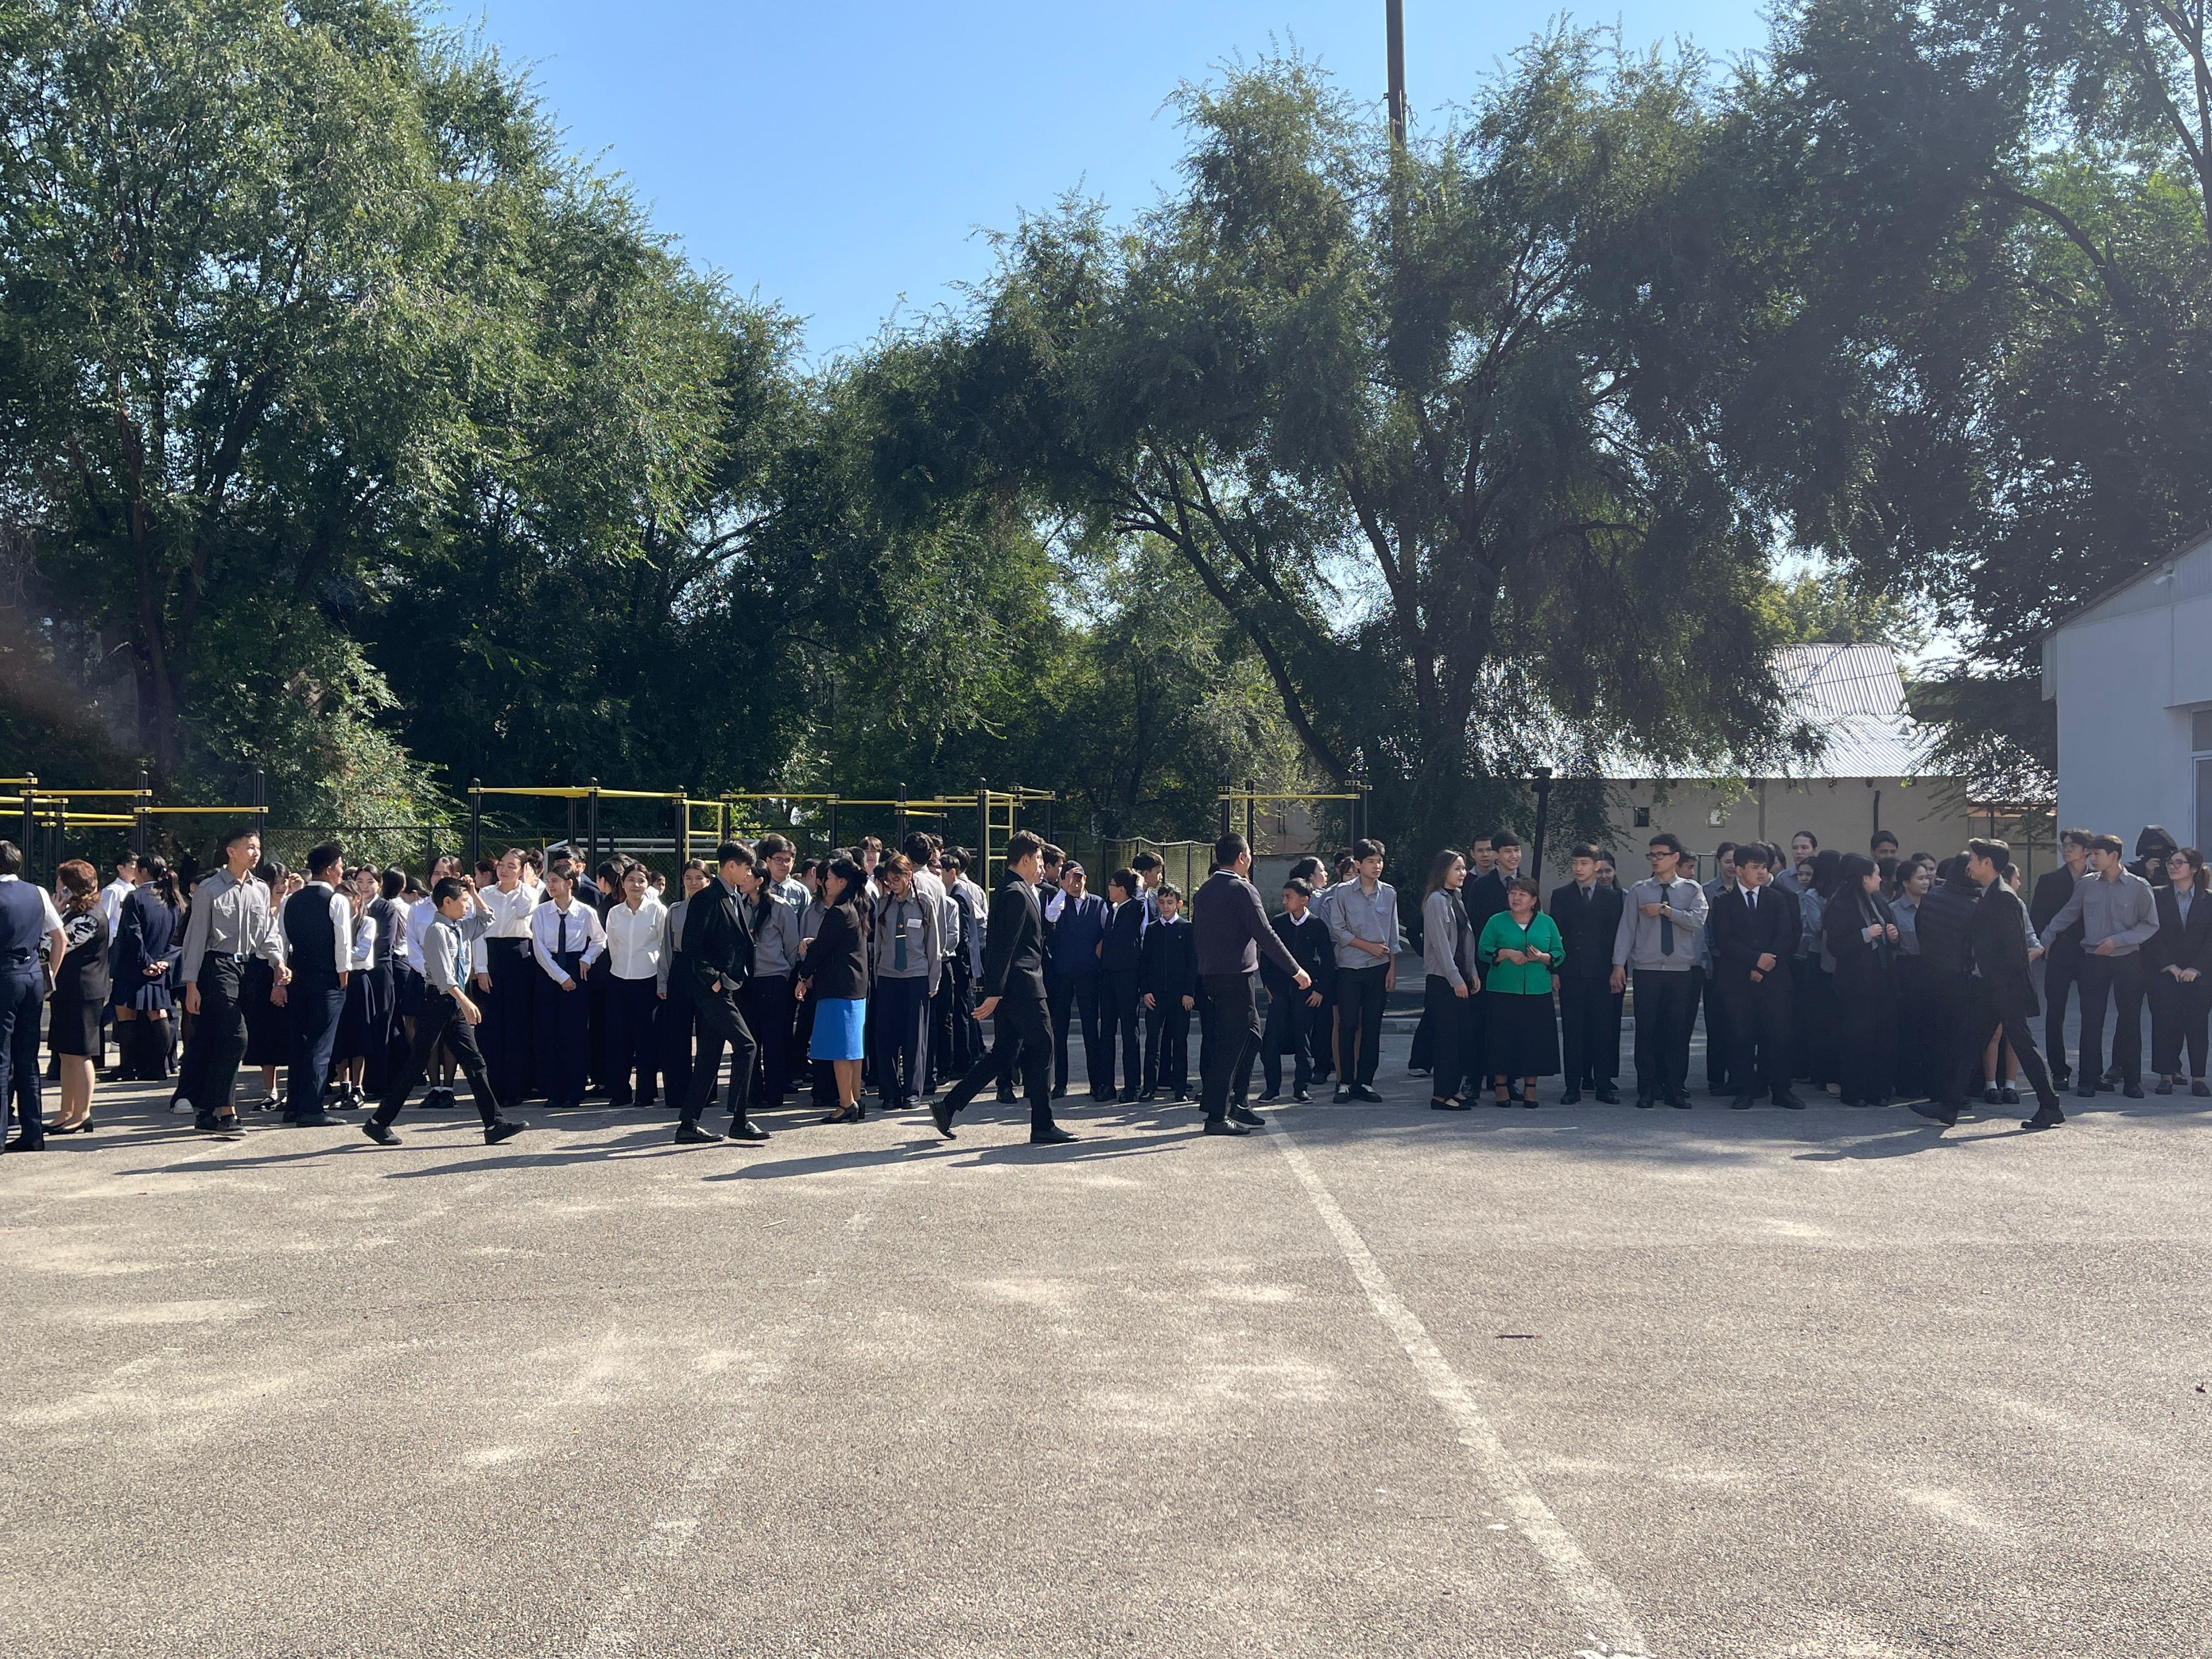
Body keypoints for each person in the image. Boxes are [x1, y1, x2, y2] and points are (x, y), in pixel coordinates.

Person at [361, 876, 527, 1147]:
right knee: (418, 1063)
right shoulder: (436, 931)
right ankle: (379, 1123)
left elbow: (488, 918)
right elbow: (443, 978)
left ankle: (494, 1124)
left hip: (452, 1005)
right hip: (438, 1003)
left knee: (475, 1063)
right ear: (447, 902)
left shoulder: (460, 928)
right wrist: (466, 1002)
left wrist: (473, 892)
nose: (468, 906)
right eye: (463, 901)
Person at [931, 831, 1073, 1144]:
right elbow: (1001, 947)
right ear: (1025, 859)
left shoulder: (1019, 889)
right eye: (1039, 859)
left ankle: (948, 1107)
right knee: (1044, 1047)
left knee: (1004, 1054)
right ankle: (1043, 1125)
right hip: (1024, 987)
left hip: (1017, 986)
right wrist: (994, 993)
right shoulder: (1014, 893)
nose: (1042, 865)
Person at [1192, 834, 1312, 1135]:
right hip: (1235, 977)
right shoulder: (1242, 889)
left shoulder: (1205, 890)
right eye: (1249, 854)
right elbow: (1266, 934)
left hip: (1213, 976)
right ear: (1242, 857)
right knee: (1231, 1045)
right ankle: (1216, 1116)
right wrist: (1296, 970)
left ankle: (1240, 1103)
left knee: (1252, 1037)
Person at [1943, 838, 2063, 1131]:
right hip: (1992, 986)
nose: (1969, 865)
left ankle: (2050, 1105)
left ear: (1987, 863)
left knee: (2022, 1045)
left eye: (1973, 859)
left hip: (2005, 988)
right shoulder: (1990, 893)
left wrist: (2002, 986)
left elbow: (2013, 950)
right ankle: (1948, 1106)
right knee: (1972, 1042)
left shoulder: (2004, 897)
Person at [2037, 832, 2160, 1099]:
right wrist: (2046, 937)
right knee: (2091, 1020)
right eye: (2091, 854)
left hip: (2127, 959)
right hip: (2093, 959)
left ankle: (2132, 1081)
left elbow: (2150, 924)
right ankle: (2088, 1079)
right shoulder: (2087, 885)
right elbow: (2069, 913)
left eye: (2097, 854)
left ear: (2114, 856)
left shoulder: (2139, 886)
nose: (2092, 859)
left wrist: (2118, 940)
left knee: (2130, 1020)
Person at [678, 841, 768, 1144]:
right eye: (746, 868)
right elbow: (692, 946)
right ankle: (739, 1120)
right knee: (747, 1046)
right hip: (714, 990)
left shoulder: (734, 897)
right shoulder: (707, 898)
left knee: (709, 1056)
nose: (749, 873)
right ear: (731, 866)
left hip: (731, 987)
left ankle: (688, 1124)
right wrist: (714, 980)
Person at [1611, 833, 1706, 1109]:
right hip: (1647, 970)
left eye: (1660, 855)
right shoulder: (1640, 890)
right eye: (1651, 855)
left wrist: (1667, 911)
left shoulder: (1691, 889)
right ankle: (1647, 1087)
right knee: (1646, 1031)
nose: (1655, 860)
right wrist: (1619, 964)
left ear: (1675, 857)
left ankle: (1674, 1087)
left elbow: (1698, 920)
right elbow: (1627, 929)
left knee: (1676, 1031)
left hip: (1680, 971)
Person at [1707, 843, 1802, 1109]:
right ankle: (1745, 1089)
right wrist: (1754, 960)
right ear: (1739, 870)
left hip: (1774, 978)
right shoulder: (1724, 901)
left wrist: (1763, 965)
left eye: (1764, 867)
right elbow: (1724, 939)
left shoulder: (1778, 899)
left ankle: (1781, 1090)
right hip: (1738, 980)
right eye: (1755, 867)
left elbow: (1785, 935)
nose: (1761, 872)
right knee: (1741, 1036)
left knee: (1778, 1035)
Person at [278, 842, 353, 1127]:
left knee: (299, 1040)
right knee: (321, 1044)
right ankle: (312, 1108)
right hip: (327, 977)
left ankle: (294, 1105)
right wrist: (343, 973)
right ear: (330, 868)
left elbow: (282, 939)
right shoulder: (337, 901)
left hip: (297, 975)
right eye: (340, 865)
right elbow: (342, 942)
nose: (342, 871)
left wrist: (281, 975)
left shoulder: (291, 900)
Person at [0, 842, 64, 1152]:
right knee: (28, 1058)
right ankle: (33, 1132)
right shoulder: (38, 892)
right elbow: (59, 937)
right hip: (32, 976)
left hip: (4, 976)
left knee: (2, 1059)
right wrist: (51, 974)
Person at [1477, 877, 1562, 1106]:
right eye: (1512, 893)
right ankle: (1501, 1086)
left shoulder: (1547, 922)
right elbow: (1483, 950)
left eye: (1522, 894)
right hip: (1502, 989)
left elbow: (1559, 952)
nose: (1516, 898)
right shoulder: (1496, 921)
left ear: (1534, 900)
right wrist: (1505, 953)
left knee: (1532, 1041)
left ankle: (1530, 1088)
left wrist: (1543, 958)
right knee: (1502, 1040)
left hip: (1537, 991)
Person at [1550, 845, 1624, 1103]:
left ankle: (1603, 1085)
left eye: (1584, 863)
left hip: (1602, 973)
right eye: (1575, 863)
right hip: (1571, 972)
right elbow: (1555, 936)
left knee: (1603, 1031)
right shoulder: (1561, 895)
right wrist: (1555, 971)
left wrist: (1617, 969)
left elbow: (1616, 937)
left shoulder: (1612, 897)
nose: (1578, 868)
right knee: (1573, 1032)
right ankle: (1573, 1086)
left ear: (1596, 865)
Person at [1324, 838, 1397, 1104]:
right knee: (1348, 1024)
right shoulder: (1342, 892)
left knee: (1372, 1026)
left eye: (1380, 861)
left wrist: (1392, 968)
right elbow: (1338, 929)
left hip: (1379, 968)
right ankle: (1345, 1081)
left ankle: (1366, 1081)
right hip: (1350, 968)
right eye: (1371, 861)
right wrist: (1368, 946)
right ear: (1358, 864)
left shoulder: (1389, 893)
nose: (1377, 866)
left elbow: (1392, 934)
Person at [1825, 853, 1901, 1107]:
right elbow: (1835, 946)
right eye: (1876, 874)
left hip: (1882, 977)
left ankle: (1879, 1090)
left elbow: (1891, 935)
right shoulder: (1840, 905)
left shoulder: (1879, 901)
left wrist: (1893, 936)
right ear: (1865, 878)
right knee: (1857, 1037)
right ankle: (1854, 1090)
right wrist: (1864, 935)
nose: (1880, 879)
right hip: (1855, 981)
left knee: (1884, 1036)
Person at [867, 851, 938, 1115]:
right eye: (889, 880)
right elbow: (880, 942)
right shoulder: (883, 904)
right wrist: (877, 976)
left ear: (909, 876)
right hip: (888, 975)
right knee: (886, 1037)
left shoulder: (924, 903)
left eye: (897, 879)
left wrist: (934, 978)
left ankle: (912, 1091)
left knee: (914, 1037)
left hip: (916, 975)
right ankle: (889, 1092)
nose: (893, 884)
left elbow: (933, 943)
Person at [531, 864, 605, 1110]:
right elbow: (539, 948)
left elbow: (600, 940)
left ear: (569, 883)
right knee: (549, 1031)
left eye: (555, 881)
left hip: (576, 967)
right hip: (549, 971)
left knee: (574, 1033)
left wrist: (587, 958)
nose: (550, 886)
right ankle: (553, 1091)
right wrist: (560, 977)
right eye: (548, 881)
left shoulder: (585, 912)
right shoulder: (541, 912)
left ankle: (575, 1091)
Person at [43, 861, 110, 1136]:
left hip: (83, 993)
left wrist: (52, 916)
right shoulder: (76, 912)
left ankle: (83, 1113)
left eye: (61, 882)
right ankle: (66, 1111)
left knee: (80, 1054)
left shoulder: (89, 918)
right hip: (68, 991)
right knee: (66, 1053)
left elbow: (50, 946)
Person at [470, 849, 539, 1111]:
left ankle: (516, 1087)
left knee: (517, 1024)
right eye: (502, 865)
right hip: (491, 956)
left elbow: (525, 912)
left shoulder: (529, 893)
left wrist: (527, 885)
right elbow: (479, 932)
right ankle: (493, 1088)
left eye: (512, 866)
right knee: (491, 1026)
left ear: (522, 870)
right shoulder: (486, 893)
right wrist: (481, 968)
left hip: (518, 956)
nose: (505, 870)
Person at [1913, 856, 1980, 1119]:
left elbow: (1920, 930)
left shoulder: (1931, 898)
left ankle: (1937, 1093)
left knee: (1935, 1035)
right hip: (1961, 977)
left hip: (1930, 973)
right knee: (1959, 1040)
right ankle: (1955, 1095)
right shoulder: (1975, 903)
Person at [112, 854, 183, 1084]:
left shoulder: (135, 897)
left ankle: (127, 1067)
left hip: (134, 965)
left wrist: (145, 962)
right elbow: (178, 937)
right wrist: (164, 961)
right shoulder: (172, 899)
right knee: (158, 1013)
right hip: (160, 966)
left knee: (126, 1013)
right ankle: (159, 1067)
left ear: (143, 871)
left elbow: (132, 933)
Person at [1263, 875, 1334, 1104]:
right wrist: (1267, 985)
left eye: (1289, 897)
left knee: (1303, 1040)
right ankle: (1272, 1088)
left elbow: (1327, 961)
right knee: (1271, 1040)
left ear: (1304, 900)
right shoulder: (1278, 922)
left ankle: (1301, 1087)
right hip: (1279, 990)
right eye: (1284, 897)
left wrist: (1320, 990)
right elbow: (1267, 955)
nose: (1285, 901)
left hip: (1306, 992)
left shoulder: (1317, 925)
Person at [601, 862, 667, 1109]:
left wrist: (663, 982)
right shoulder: (614, 913)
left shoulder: (657, 911)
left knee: (646, 1039)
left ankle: (646, 1093)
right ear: (623, 884)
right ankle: (620, 1092)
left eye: (641, 880)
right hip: (619, 979)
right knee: (619, 1038)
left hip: (649, 979)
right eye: (631, 880)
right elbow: (613, 945)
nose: (636, 885)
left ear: (647, 884)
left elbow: (664, 947)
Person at [1417, 852, 1479, 1111]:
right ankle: (1441, 1096)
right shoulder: (1436, 900)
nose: (1463, 873)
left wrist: (1472, 972)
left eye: (1464, 868)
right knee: (1447, 1038)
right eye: (1457, 868)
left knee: (1460, 1037)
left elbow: (1466, 940)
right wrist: (1456, 979)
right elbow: (1441, 946)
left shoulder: (1457, 898)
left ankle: (1454, 1089)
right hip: (1443, 979)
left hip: (1460, 975)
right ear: (1444, 871)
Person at [2029, 830, 2092, 1089]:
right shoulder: (2049, 880)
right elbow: (2037, 917)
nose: (2066, 850)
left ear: (2087, 851)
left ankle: (2091, 1070)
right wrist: (2045, 946)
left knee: (2093, 1013)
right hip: (2059, 951)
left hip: (2090, 953)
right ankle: (2058, 1070)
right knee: (2055, 1013)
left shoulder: (2098, 879)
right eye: (2063, 845)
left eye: (2072, 846)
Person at [741, 854, 802, 1115]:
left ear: (759, 880)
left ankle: (775, 1092)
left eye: (748, 875)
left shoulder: (780, 907)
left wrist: (782, 972)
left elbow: (792, 947)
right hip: (747, 980)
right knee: (750, 1039)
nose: (743, 879)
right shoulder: (739, 905)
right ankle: (752, 1092)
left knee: (774, 1039)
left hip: (774, 979)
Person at [2148, 847, 2210, 1096]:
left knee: (2198, 1027)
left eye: (2179, 863)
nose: (2172, 867)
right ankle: (2166, 1076)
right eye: (2170, 863)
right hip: (2166, 972)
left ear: (2193, 869)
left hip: (2200, 975)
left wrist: (2197, 968)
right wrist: (2169, 965)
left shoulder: (2209, 899)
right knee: (2164, 1024)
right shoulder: (2157, 895)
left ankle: (2199, 1079)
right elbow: (2152, 933)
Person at [1046, 862, 1108, 1099]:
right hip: (1062, 973)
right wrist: (1063, 891)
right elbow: (1050, 917)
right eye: (1071, 879)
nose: (1076, 883)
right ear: (1063, 881)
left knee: (1090, 1028)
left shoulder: (1098, 903)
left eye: (1080, 878)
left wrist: (1103, 942)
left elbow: (1109, 928)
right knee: (1060, 1029)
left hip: (1089, 973)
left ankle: (1097, 1082)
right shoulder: (1059, 901)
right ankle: (1060, 1083)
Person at [329, 870, 383, 1110]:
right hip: (338, 979)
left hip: (358, 981)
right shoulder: (332, 922)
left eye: (347, 896)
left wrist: (339, 955)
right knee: (339, 1036)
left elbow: (362, 953)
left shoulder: (367, 922)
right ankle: (344, 1086)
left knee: (359, 1036)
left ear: (357, 899)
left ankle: (358, 1088)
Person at [1138, 883, 1197, 1103]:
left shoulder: (1187, 928)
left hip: (1180, 997)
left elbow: (1192, 963)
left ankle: (1180, 1089)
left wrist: (1189, 992)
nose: (1165, 906)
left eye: (1170, 902)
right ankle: (1149, 1087)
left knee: (1179, 1043)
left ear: (1179, 904)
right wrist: (1146, 991)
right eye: (1161, 902)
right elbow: (1144, 963)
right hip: (1156, 996)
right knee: (1152, 1042)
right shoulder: (1152, 929)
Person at [658, 860, 709, 1110]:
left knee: (707, 1034)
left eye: (699, 878)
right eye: (689, 878)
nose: (694, 883)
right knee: (677, 1034)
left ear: (708, 881)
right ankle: (677, 1093)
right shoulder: (676, 910)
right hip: (680, 969)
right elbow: (666, 947)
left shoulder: (718, 908)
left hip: (708, 971)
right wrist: (663, 981)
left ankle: (705, 1093)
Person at [1095, 868, 1147, 1103]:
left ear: (1122, 889)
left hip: (1127, 977)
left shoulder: (1134, 908)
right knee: (1107, 1030)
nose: (1109, 888)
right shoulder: (1112, 909)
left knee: (1129, 1031)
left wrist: (1139, 884)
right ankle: (1106, 1084)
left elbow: (1140, 904)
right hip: (1108, 976)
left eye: (1112, 885)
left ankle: (1131, 1085)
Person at [1889, 859, 1936, 1099]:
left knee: (1931, 1027)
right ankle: (1907, 1082)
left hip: (1932, 969)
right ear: (1906, 883)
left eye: (1927, 877)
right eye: (1920, 878)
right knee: (1909, 1028)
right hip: (1907, 969)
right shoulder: (1894, 909)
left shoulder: (1934, 906)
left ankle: (1929, 1080)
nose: (1926, 882)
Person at [1695, 844, 1737, 1097]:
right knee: (1716, 1022)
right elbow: (1703, 930)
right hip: (1715, 963)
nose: (1732, 866)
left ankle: (1738, 1074)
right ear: (1718, 862)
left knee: (1738, 1023)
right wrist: (1707, 961)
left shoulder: (1746, 890)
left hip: (1740, 963)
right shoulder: (1705, 891)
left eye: (1735, 862)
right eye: (1727, 861)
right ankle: (1716, 1077)